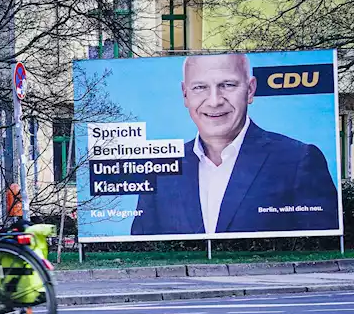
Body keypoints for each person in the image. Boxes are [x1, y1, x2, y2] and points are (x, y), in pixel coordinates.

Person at [131, 53, 339, 236]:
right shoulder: (160, 169)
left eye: (227, 85)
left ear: (250, 90)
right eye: (200, 87)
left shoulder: (298, 159)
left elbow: (322, 242)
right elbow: (142, 249)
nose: (214, 101)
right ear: (185, 94)